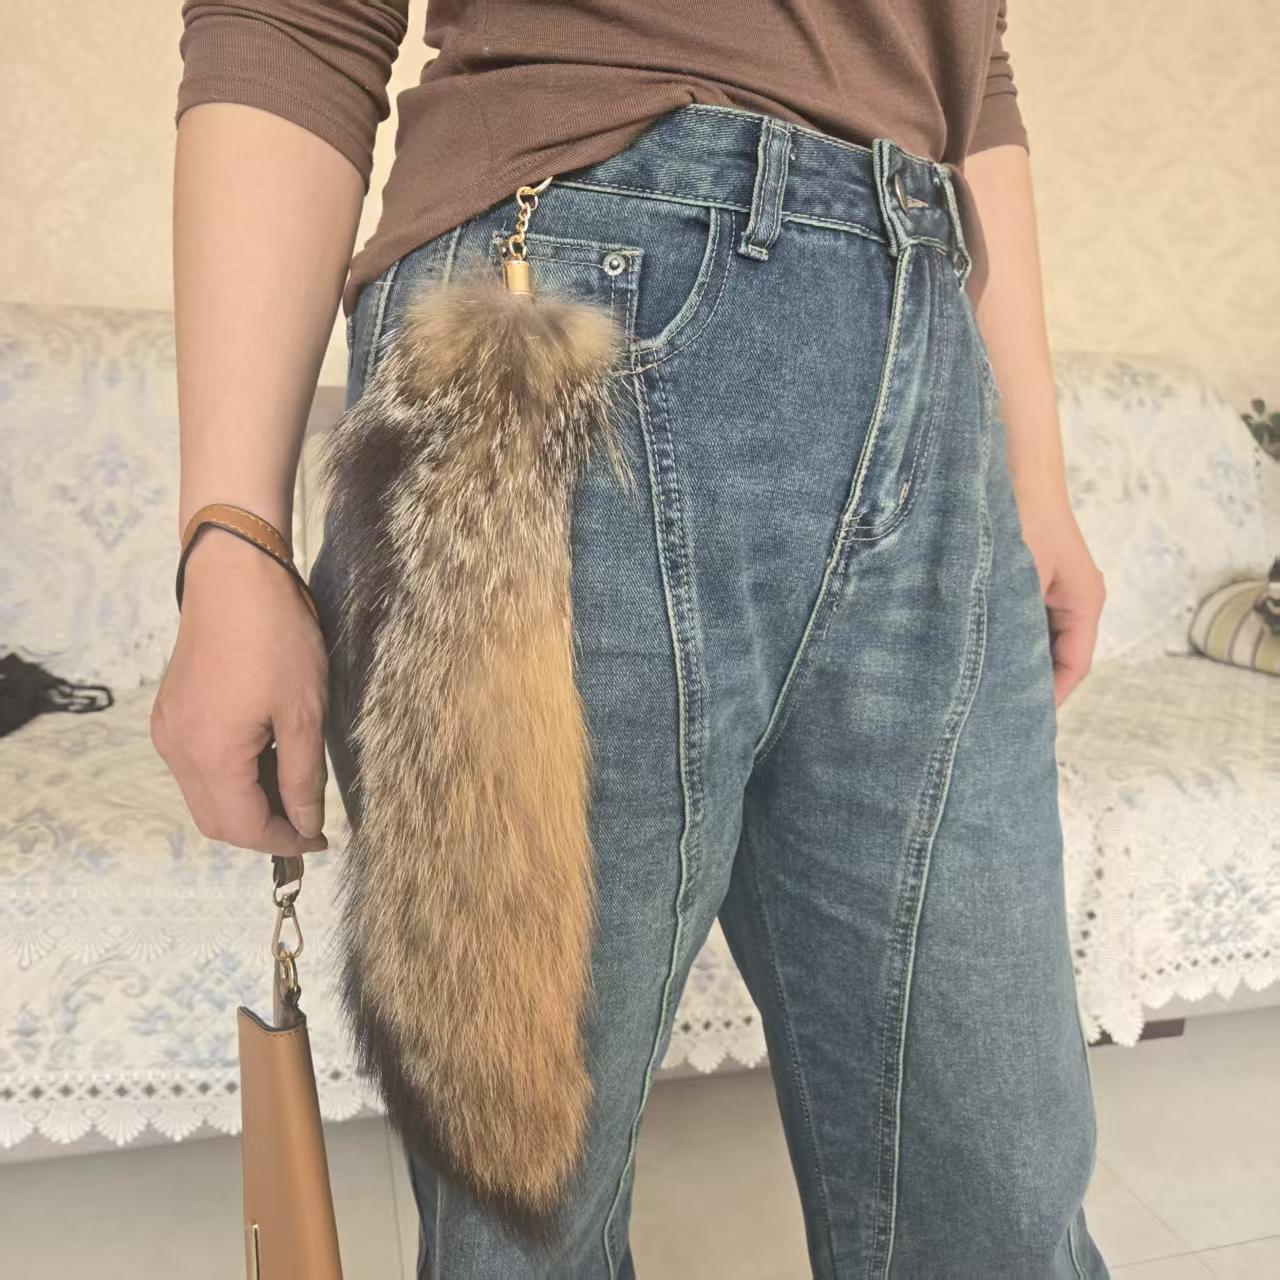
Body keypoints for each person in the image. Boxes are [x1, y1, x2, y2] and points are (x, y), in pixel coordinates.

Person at [152, 2, 1110, 1276]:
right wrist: (231, 534)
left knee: (999, 1200)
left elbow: (966, 66)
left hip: (930, 337)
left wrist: (1031, 472)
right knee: (525, 1207)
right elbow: (299, 19)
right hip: (560, 322)